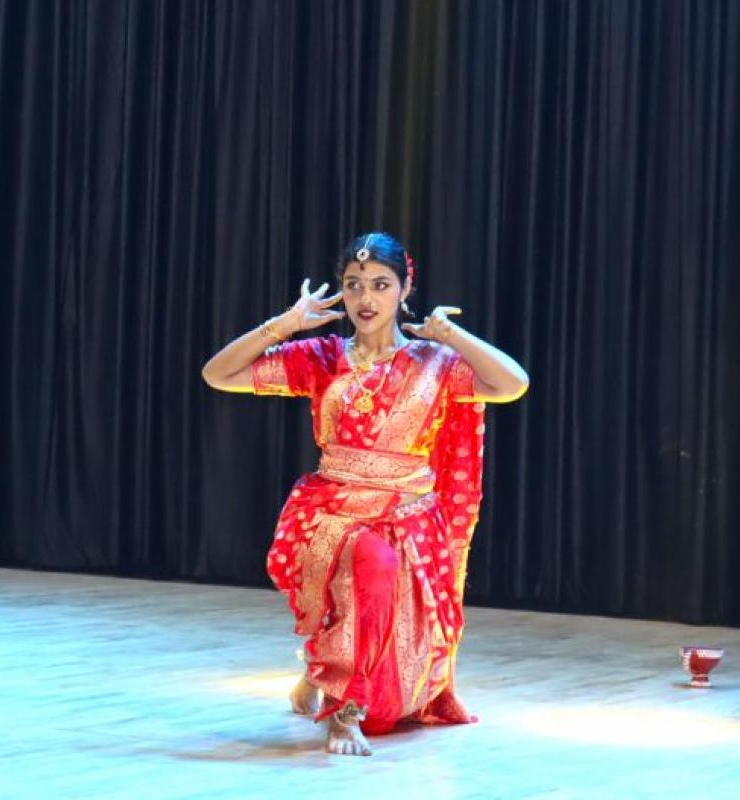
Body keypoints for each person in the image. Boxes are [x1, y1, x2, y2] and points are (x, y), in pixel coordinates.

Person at [201, 232, 528, 756]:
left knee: (394, 700)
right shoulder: (322, 358)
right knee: (373, 568)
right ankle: (343, 708)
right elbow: (218, 374)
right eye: (354, 285)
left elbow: (512, 384)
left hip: (410, 515)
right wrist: (286, 323)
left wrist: (451, 335)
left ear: (405, 288)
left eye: (380, 284)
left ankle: (322, 675)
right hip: (334, 512)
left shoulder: (435, 363)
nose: (365, 298)